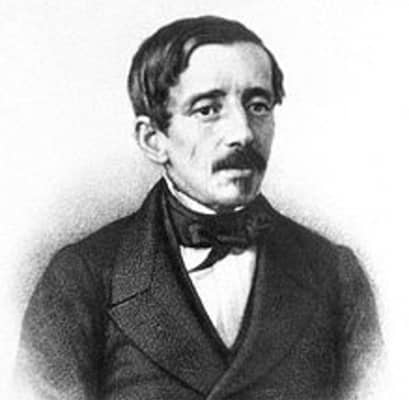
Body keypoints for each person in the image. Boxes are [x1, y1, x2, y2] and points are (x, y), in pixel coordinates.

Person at [16, 15, 380, 400]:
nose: (242, 133)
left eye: (258, 106)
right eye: (207, 110)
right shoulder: (82, 278)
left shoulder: (335, 274)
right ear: (153, 139)